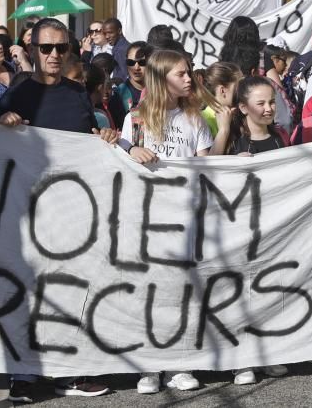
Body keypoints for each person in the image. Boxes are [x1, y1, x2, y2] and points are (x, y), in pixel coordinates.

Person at [0, 18, 116, 403]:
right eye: (46, 48)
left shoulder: (78, 93)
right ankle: (23, 375)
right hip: (26, 210)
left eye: (62, 48)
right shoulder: (17, 91)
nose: (55, 55)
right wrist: (3, 122)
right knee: (28, 291)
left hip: (72, 211)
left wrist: (106, 137)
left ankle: (68, 373)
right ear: (32, 51)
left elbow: (89, 141)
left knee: (68, 291)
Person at [117, 49, 230, 394]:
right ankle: (150, 364)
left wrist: (225, 131)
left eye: (189, 72)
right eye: (181, 73)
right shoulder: (135, 119)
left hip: (185, 218)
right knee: (149, 291)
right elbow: (117, 161)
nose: (188, 78)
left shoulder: (193, 118)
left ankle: (180, 363)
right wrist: (129, 150)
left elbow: (208, 166)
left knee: (183, 291)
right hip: (147, 218)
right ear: (161, 78)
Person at [228, 76, 289, 156]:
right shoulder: (234, 145)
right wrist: (236, 162)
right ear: (243, 108)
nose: (269, 109)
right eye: (261, 103)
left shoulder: (282, 135)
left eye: (271, 102)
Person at [108, 42, 151, 128]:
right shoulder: (118, 95)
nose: (136, 67)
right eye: (131, 62)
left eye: (142, 62)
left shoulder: (161, 92)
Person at [198, 61, 242, 142]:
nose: (243, 91)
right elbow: (207, 154)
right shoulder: (203, 121)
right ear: (222, 91)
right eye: (238, 87)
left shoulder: (238, 113)